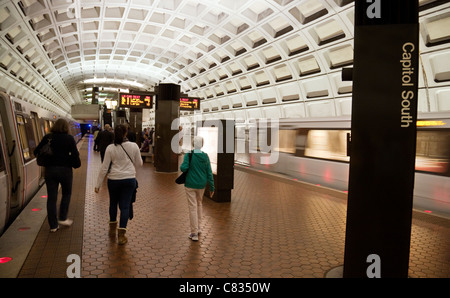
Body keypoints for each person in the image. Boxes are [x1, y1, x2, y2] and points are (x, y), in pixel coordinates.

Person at [95, 124, 143, 245]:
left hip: (113, 180)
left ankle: (112, 229)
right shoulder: (134, 146)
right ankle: (121, 236)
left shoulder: (110, 148)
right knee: (125, 206)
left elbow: (104, 167)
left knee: (113, 204)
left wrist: (98, 184)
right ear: (126, 133)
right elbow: (140, 163)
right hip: (129, 180)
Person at [34, 118, 81, 232]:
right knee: (66, 194)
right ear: (66, 127)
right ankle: (63, 218)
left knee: (51, 198)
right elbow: (75, 155)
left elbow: (36, 151)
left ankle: (53, 226)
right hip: (65, 171)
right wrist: (75, 163)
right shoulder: (69, 139)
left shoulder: (48, 137)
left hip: (50, 171)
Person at [180, 136, 215, 241]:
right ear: (202, 144)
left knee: (192, 207)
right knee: (199, 204)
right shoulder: (205, 156)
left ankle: (194, 233)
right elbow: (209, 172)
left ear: (193, 144)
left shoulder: (189, 155)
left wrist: (185, 165)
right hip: (201, 185)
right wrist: (212, 187)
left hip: (190, 184)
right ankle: (199, 228)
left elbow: (183, 168)